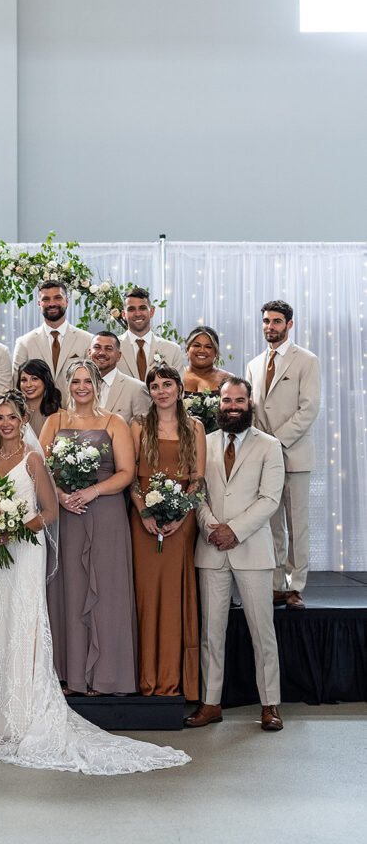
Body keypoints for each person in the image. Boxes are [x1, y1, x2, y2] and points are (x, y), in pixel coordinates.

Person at [0, 391, 190, 775]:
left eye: (12, 416)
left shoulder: (38, 455)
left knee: (28, 618)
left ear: (23, 419)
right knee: (2, 622)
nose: (6, 423)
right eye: (0, 417)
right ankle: (3, 708)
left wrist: (17, 528)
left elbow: (50, 507)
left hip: (27, 546)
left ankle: (29, 704)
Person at [185, 377, 285, 732]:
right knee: (212, 633)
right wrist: (212, 527)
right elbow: (195, 491)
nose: (232, 407)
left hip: (252, 550)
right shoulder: (204, 442)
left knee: (263, 631)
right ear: (219, 403)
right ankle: (211, 703)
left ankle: (270, 704)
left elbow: (270, 499)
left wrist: (235, 530)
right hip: (211, 548)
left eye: (238, 401)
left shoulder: (270, 446)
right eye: (226, 400)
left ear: (249, 403)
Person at [40, 360, 137, 695]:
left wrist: (93, 491)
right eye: (76, 381)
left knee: (106, 591)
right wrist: (63, 497)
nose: (82, 387)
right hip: (66, 516)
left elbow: (126, 473)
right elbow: (40, 469)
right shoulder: (54, 421)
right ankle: (70, 675)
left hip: (105, 513)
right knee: (69, 589)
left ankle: (106, 675)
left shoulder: (114, 422)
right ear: (68, 384)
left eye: (88, 381)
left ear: (98, 384)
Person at [129, 364, 205, 699]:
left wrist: (180, 514)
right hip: (142, 518)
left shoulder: (196, 428)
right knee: (145, 596)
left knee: (175, 595)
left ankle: (173, 680)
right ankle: (144, 679)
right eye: (155, 386)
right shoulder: (138, 426)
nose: (161, 391)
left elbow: (198, 480)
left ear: (179, 388)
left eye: (167, 384)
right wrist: (144, 511)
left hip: (181, 521)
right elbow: (130, 476)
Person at [245, 300, 321, 611]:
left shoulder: (307, 360)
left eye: (276, 321)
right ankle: (276, 585)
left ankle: (296, 587)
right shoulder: (253, 364)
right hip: (265, 461)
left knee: (297, 525)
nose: (269, 327)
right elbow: (252, 412)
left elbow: (309, 409)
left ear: (289, 324)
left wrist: (275, 442)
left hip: (295, 456)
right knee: (271, 525)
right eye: (265, 321)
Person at [12, 280, 93, 399]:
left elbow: (93, 384)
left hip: (75, 414)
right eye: (46, 299)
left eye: (57, 298)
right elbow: (16, 386)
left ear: (66, 301)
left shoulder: (87, 340)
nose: (52, 303)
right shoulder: (24, 343)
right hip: (37, 415)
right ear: (39, 304)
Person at [118, 287, 184, 381]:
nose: (137, 314)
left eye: (142, 308)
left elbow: (178, 391)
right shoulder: (113, 348)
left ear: (151, 312)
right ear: (124, 314)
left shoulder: (173, 350)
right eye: (131, 309)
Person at [89, 330, 149, 423]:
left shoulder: (137, 389)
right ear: (89, 353)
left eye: (108, 348)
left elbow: (144, 432)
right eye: (97, 347)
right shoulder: (77, 386)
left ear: (118, 355)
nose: (102, 353)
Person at [16, 358, 62, 439]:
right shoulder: (14, 413)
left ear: (45, 381)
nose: (28, 385)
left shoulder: (59, 415)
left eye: (34, 379)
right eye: (24, 380)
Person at [183, 326, 234, 393]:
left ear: (216, 352)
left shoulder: (228, 379)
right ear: (187, 349)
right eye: (197, 345)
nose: (202, 350)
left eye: (208, 347)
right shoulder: (176, 377)